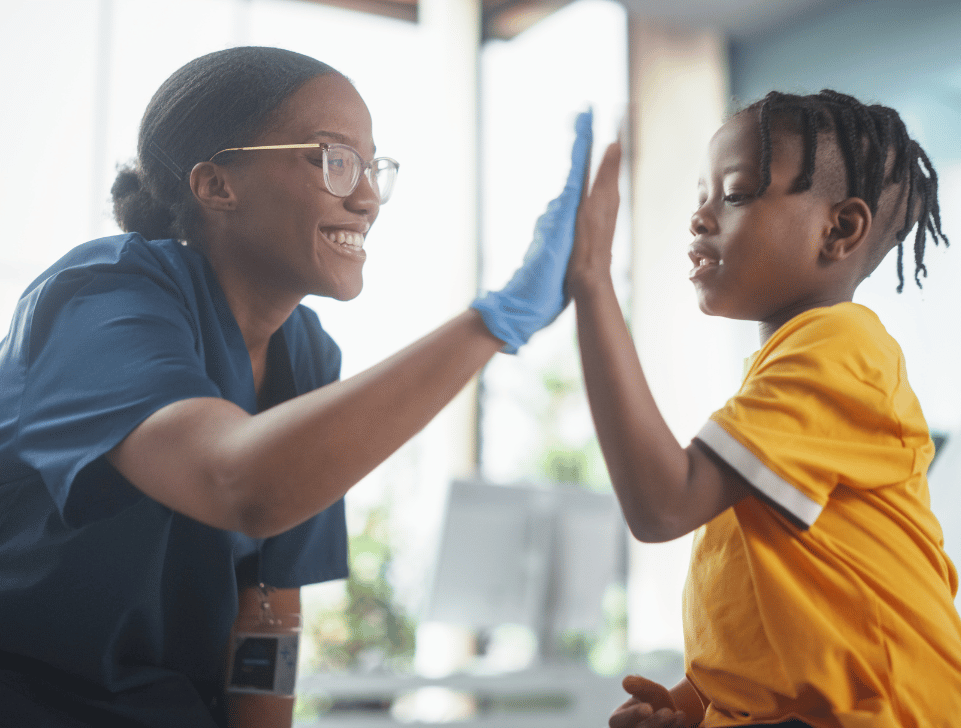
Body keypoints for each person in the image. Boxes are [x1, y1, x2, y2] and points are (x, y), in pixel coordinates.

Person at [0, 46, 592, 728]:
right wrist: (494, 323)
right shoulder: (100, 298)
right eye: (334, 160)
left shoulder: (305, 353)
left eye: (371, 167)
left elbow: (268, 606)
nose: (366, 198)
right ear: (217, 184)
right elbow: (240, 483)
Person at [569, 90, 961, 727]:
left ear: (840, 229)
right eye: (702, 196)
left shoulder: (843, 348)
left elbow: (663, 504)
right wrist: (694, 705)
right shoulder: (783, 383)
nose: (701, 218)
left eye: (735, 195)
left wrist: (592, 281)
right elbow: (784, 620)